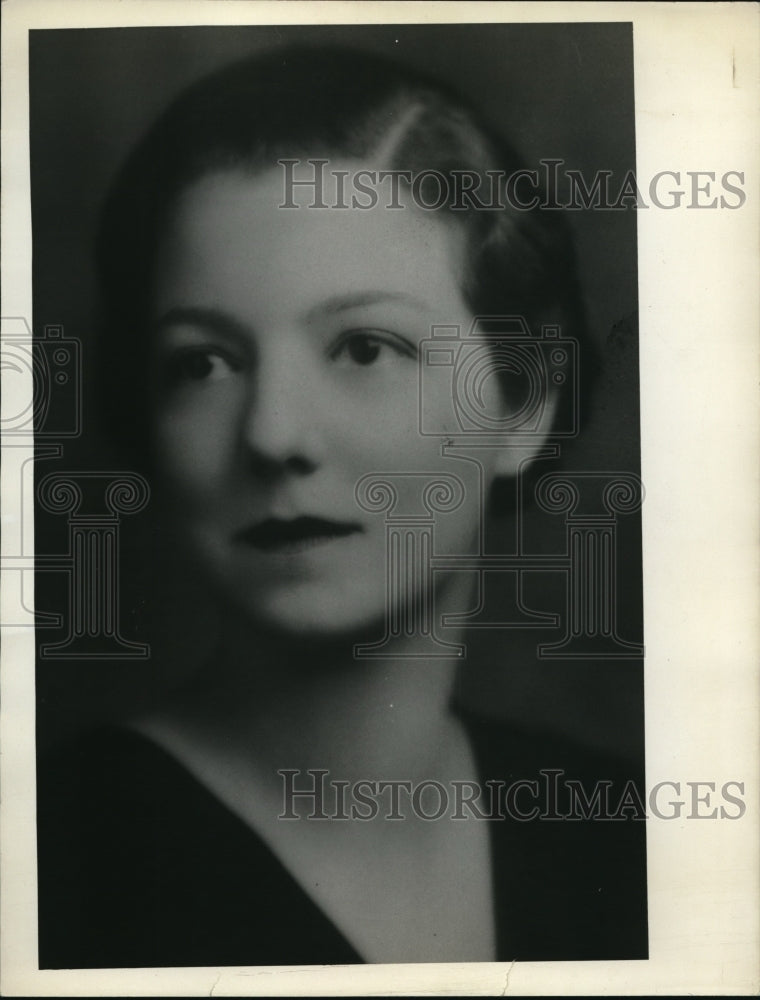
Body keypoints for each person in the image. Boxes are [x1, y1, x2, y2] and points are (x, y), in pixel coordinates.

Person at [36, 45, 647, 967]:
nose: (273, 434)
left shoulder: (625, 836)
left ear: (523, 404)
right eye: (201, 362)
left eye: (363, 348)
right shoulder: (54, 857)